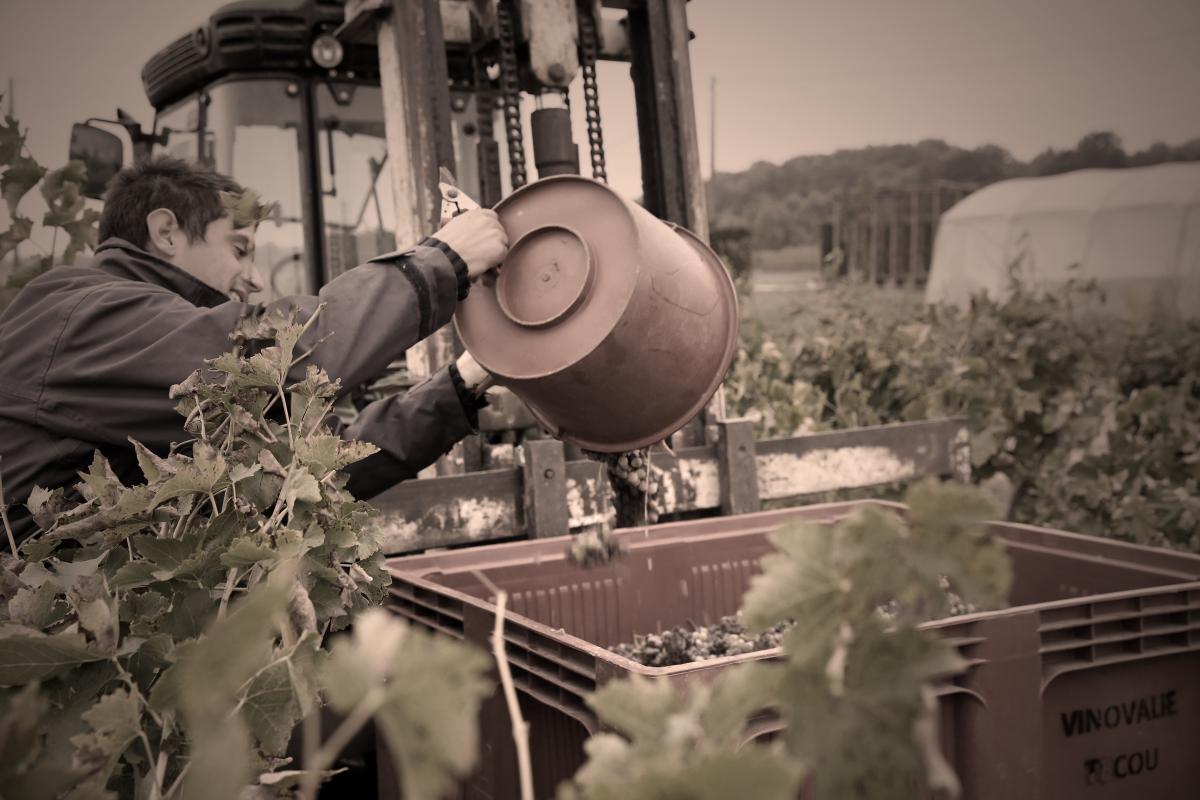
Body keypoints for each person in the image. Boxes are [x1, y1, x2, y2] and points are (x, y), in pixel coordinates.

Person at [0, 157, 507, 542]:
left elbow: (303, 471)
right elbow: (270, 361)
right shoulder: (80, 315)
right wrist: (443, 259)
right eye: (239, 249)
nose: (256, 277)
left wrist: (464, 378)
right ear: (166, 231)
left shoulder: (150, 358)